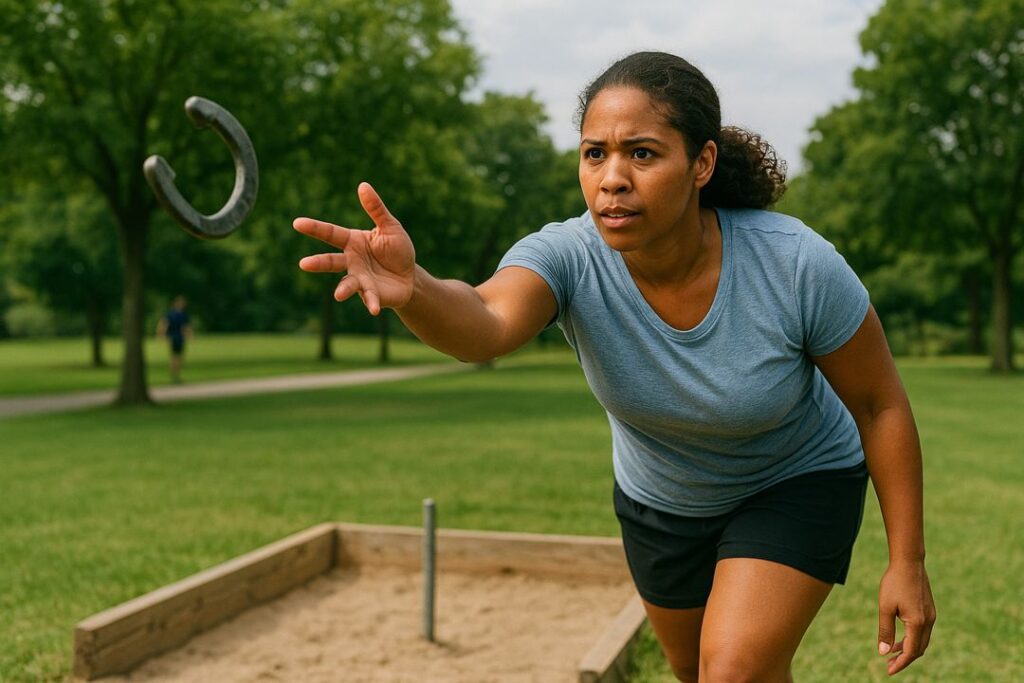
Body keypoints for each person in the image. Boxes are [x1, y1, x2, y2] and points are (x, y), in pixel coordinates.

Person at [293, 51, 935, 681]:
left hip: (794, 479)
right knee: (698, 671)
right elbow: (485, 324)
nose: (612, 178)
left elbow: (880, 406)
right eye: (594, 153)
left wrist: (906, 561)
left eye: (643, 153)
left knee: (733, 669)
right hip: (661, 500)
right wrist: (419, 288)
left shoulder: (794, 264)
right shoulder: (569, 255)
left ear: (701, 162)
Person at [156, 295, 192, 383]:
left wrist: (161, 335)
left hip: (174, 337)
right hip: (177, 337)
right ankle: (175, 376)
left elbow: (163, 324)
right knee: (177, 357)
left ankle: (174, 375)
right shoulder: (181, 315)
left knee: (175, 357)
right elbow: (185, 327)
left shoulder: (171, 313)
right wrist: (189, 335)